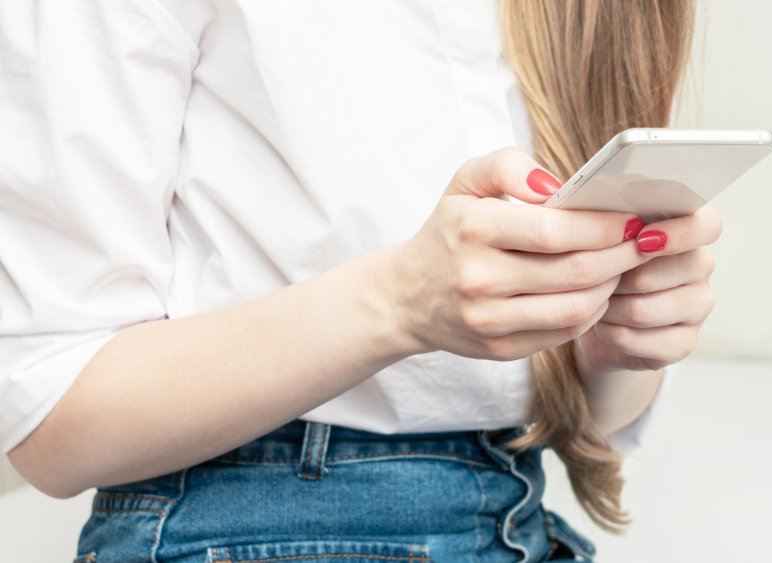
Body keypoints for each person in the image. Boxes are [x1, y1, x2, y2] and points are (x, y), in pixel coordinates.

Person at [0, 1, 718, 561]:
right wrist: (400, 301)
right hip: (241, 524)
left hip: (517, 514)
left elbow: (594, 415)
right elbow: (51, 417)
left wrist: (622, 335)